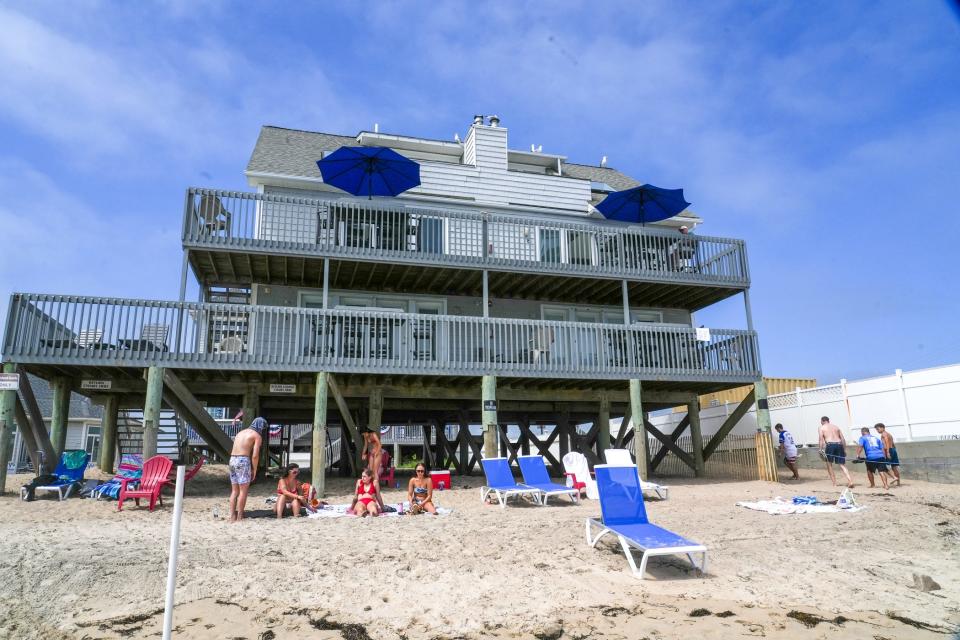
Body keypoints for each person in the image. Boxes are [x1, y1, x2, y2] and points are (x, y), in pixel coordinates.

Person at [228, 416, 264, 522]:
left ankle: (231, 516)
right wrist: (255, 469)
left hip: (232, 459)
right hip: (242, 460)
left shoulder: (241, 433)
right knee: (243, 491)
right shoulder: (256, 435)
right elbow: (255, 455)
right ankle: (239, 516)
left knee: (234, 491)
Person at [818, 416, 854, 488]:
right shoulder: (836, 427)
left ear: (822, 421)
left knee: (829, 465)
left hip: (830, 445)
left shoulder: (821, 428)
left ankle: (834, 484)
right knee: (842, 464)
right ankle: (850, 481)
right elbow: (843, 439)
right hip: (839, 445)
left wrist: (820, 449)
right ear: (828, 420)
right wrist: (844, 449)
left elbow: (821, 439)